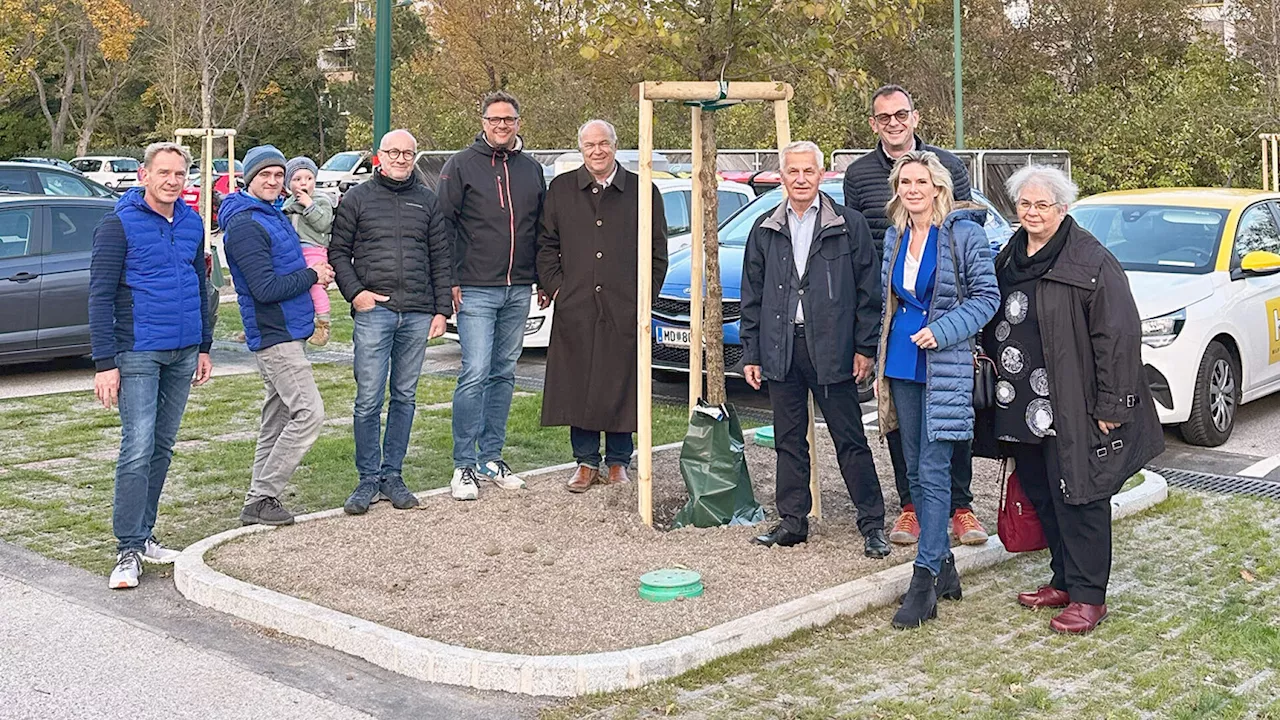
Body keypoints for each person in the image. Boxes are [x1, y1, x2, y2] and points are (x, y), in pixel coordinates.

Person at [977, 165, 1163, 634]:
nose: (1033, 212)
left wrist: (1113, 405)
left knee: (1081, 497)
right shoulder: (1010, 255)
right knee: (1043, 493)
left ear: (1063, 209)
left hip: (1072, 404)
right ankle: (1062, 579)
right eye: (1025, 204)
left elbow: (1118, 336)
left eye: (1043, 205)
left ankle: (1088, 597)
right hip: (1021, 403)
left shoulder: (1090, 261)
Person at [842, 83, 987, 549]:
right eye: (883, 117)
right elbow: (859, 251)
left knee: (950, 425)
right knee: (902, 429)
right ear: (873, 123)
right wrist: (867, 336)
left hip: (946, 324)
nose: (893, 123)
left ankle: (958, 508)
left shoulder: (950, 169)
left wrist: (951, 328)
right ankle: (913, 508)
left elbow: (972, 263)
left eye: (900, 114)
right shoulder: (861, 177)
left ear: (915, 117)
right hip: (898, 329)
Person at [739, 141, 888, 557]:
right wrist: (752, 352)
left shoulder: (848, 224)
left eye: (808, 172)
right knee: (789, 439)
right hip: (782, 347)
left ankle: (872, 523)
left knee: (850, 438)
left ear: (822, 175)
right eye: (793, 172)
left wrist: (864, 347)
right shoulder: (765, 228)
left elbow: (867, 291)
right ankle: (792, 521)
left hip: (834, 349)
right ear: (781, 176)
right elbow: (752, 294)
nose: (801, 179)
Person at [877, 151, 999, 629]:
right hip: (903, 364)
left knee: (933, 468)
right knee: (914, 466)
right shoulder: (895, 234)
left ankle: (924, 576)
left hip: (943, 362)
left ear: (938, 187)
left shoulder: (963, 234)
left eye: (920, 181)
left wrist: (944, 330)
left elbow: (987, 298)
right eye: (904, 181)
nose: (911, 189)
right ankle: (945, 567)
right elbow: (888, 302)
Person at [89, 141, 214, 589]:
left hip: (183, 352)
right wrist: (106, 362)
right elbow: (100, 298)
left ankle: (145, 536)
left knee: (162, 448)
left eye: (180, 175)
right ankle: (127, 548)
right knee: (137, 447)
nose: (172, 182)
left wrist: (204, 344)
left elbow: (201, 286)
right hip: (138, 351)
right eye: (163, 173)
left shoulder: (189, 224)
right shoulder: (117, 225)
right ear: (144, 175)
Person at [536, 119, 667, 491]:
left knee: (621, 381)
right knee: (580, 381)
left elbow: (658, 251)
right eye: (589, 145)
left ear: (615, 145)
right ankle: (585, 461)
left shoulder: (642, 190)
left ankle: (619, 461)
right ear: (581, 149)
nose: (597, 151)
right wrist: (560, 289)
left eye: (603, 144)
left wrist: (645, 297)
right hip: (576, 304)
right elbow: (546, 245)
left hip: (624, 305)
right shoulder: (561, 189)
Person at [330, 129, 453, 515]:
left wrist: (441, 310)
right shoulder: (357, 198)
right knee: (368, 398)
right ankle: (367, 478)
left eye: (408, 153)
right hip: (375, 312)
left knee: (405, 396)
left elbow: (440, 257)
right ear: (378, 156)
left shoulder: (427, 200)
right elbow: (338, 251)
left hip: (417, 313)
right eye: (394, 152)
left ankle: (393, 475)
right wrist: (356, 294)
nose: (401, 158)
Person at [439, 91, 547, 500]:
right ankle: (463, 465)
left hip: (518, 288)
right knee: (475, 372)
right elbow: (444, 227)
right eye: (495, 119)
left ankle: (491, 456)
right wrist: (448, 280)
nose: (502, 125)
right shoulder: (461, 165)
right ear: (483, 122)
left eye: (509, 119)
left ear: (519, 122)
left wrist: (542, 280)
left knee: (504, 373)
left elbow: (541, 229)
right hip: (475, 289)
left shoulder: (531, 170)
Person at [221, 145, 332, 527]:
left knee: (278, 415)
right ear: (248, 179)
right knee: (309, 413)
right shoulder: (246, 225)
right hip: (275, 333)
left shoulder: (271, 215)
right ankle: (264, 495)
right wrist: (313, 277)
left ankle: (258, 498)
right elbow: (264, 288)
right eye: (264, 175)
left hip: (290, 329)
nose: (272, 181)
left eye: (277, 175)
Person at [282, 156, 335, 346]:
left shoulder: (321, 201)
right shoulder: (287, 203)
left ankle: (323, 323)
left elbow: (323, 224)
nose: (303, 183)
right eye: (297, 179)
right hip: (294, 250)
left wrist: (308, 205)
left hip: (314, 249)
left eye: (308, 178)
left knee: (315, 283)